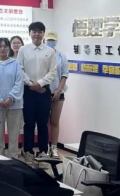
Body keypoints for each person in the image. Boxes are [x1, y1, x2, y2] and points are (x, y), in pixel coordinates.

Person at [18, 22, 57, 166]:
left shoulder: (50, 51)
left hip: (43, 91)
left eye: (40, 31)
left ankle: (43, 153)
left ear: (43, 34)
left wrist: (39, 84)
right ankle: (28, 152)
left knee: (42, 124)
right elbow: (19, 69)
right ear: (30, 33)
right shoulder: (23, 50)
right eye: (34, 31)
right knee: (28, 123)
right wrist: (30, 84)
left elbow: (52, 71)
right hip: (28, 91)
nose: (37, 34)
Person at [0, 38, 23, 158]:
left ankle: (13, 157)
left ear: (9, 48)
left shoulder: (15, 63)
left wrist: (11, 97)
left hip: (14, 104)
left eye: (5, 46)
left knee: (14, 133)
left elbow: (19, 82)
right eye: (0, 46)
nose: (2, 49)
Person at [46, 31, 69, 159]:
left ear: (57, 41)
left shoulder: (61, 56)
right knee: (43, 122)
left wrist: (59, 91)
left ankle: (54, 148)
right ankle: (44, 147)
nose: (51, 42)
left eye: (53, 40)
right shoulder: (41, 55)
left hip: (58, 92)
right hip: (43, 92)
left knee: (55, 122)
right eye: (49, 40)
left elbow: (64, 75)